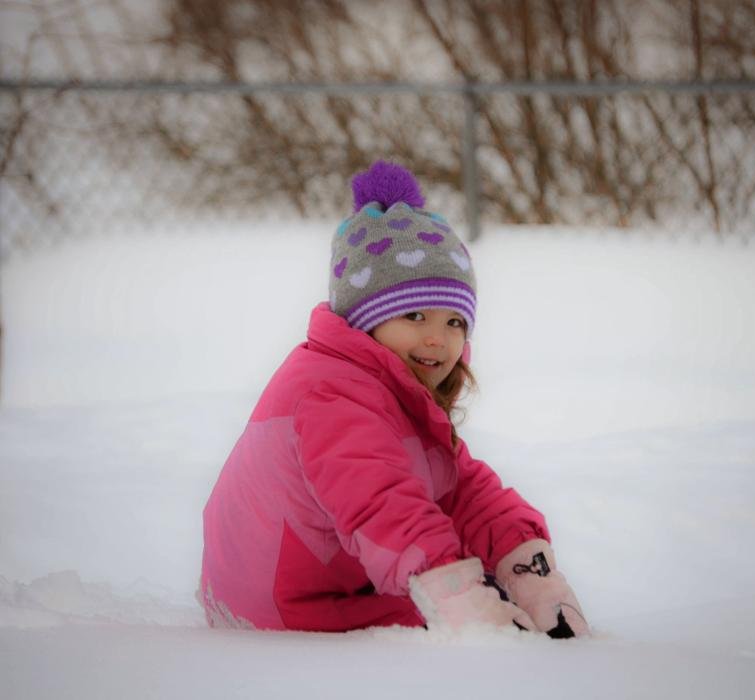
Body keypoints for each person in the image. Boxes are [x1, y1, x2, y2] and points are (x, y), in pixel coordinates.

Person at [200, 161, 589, 637]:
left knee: (499, 598)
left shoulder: (385, 387)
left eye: (454, 322)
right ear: (365, 318)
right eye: (415, 314)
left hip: (331, 583)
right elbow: (381, 505)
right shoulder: (329, 393)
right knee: (477, 615)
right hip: (283, 611)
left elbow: (460, 489)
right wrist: (464, 602)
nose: (437, 340)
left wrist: (532, 575)